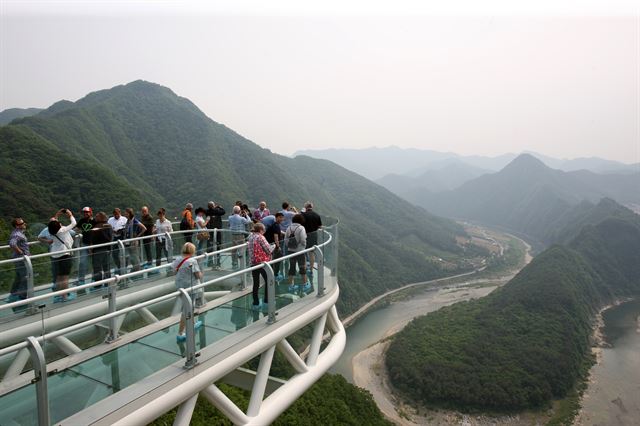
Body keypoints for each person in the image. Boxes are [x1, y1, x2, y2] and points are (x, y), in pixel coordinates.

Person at [172, 242, 203, 342]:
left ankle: (192, 324)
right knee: (187, 309)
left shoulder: (177, 259)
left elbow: (174, 271)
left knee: (189, 306)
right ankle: (180, 333)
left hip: (180, 286)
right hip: (191, 287)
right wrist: (201, 274)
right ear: (192, 251)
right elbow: (198, 275)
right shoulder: (192, 261)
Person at [49, 209, 77, 302]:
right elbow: (73, 223)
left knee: (59, 277)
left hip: (55, 255)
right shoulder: (62, 230)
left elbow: (53, 224)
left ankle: (57, 296)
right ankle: (64, 297)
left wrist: (57, 214)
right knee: (64, 277)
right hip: (64, 255)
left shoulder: (52, 231)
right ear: (59, 226)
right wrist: (70, 215)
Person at [247, 222, 274, 310]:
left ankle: (256, 303)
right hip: (262, 263)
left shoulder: (250, 237)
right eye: (264, 230)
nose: (264, 231)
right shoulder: (261, 237)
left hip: (253, 262)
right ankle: (267, 300)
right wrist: (273, 246)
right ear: (261, 230)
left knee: (256, 283)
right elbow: (269, 250)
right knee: (268, 280)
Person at [7, 217, 30, 303]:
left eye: (24, 222)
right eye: (22, 223)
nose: (24, 224)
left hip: (19, 259)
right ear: (17, 226)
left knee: (19, 276)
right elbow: (12, 243)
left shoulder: (19, 233)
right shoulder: (17, 234)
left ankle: (13, 294)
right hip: (21, 259)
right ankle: (22, 298)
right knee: (25, 277)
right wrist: (22, 253)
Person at [284, 214, 308, 290]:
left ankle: (291, 285)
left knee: (292, 267)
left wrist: (289, 245)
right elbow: (303, 239)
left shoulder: (289, 227)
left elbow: (285, 239)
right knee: (302, 267)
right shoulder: (301, 228)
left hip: (291, 251)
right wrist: (303, 246)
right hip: (300, 251)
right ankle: (304, 284)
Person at [90, 212, 113, 287]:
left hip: (98, 249)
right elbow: (110, 237)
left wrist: (92, 247)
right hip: (107, 249)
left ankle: (98, 284)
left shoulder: (97, 227)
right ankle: (108, 282)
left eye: (97, 216)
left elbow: (93, 238)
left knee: (97, 267)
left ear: (100, 217)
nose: (95, 218)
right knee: (107, 267)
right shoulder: (108, 225)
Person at [74, 206, 95, 287]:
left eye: (87, 212)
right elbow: (77, 228)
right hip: (84, 243)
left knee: (94, 263)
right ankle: (81, 280)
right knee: (82, 263)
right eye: (84, 212)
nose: (86, 213)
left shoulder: (94, 221)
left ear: (91, 212)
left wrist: (92, 245)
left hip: (93, 244)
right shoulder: (82, 221)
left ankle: (94, 279)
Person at [302, 201, 322, 278]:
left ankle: (303, 269)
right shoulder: (317, 215)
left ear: (306, 208)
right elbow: (320, 226)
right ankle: (311, 270)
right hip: (314, 236)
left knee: (303, 252)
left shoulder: (303, 215)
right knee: (311, 253)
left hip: (304, 236)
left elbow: (300, 226)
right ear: (312, 207)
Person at [123, 208, 146, 274]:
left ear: (130, 214)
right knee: (132, 258)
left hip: (133, 242)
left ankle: (137, 272)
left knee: (135, 258)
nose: (125, 214)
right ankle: (135, 272)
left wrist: (137, 237)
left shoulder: (135, 221)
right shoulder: (128, 221)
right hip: (128, 242)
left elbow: (144, 228)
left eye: (126, 213)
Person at [264, 213, 285, 280]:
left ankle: (272, 273)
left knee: (273, 259)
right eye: (280, 217)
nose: (281, 219)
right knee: (277, 258)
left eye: (282, 217)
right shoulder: (276, 226)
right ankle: (275, 274)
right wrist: (278, 247)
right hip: (273, 246)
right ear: (276, 217)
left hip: (270, 245)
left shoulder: (274, 225)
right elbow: (276, 237)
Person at [205, 201, 226, 268]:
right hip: (218, 230)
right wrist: (219, 207)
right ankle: (218, 262)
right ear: (213, 206)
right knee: (218, 245)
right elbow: (223, 211)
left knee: (210, 245)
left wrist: (214, 207)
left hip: (210, 230)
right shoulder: (217, 211)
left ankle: (210, 262)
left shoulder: (207, 211)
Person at [108, 208, 127, 275]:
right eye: (115, 214)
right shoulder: (110, 220)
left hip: (122, 238)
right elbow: (108, 228)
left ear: (120, 212)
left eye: (117, 214)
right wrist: (112, 231)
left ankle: (124, 267)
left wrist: (121, 230)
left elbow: (127, 228)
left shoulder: (124, 219)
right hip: (114, 238)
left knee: (124, 253)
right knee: (114, 254)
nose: (116, 215)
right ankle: (119, 266)